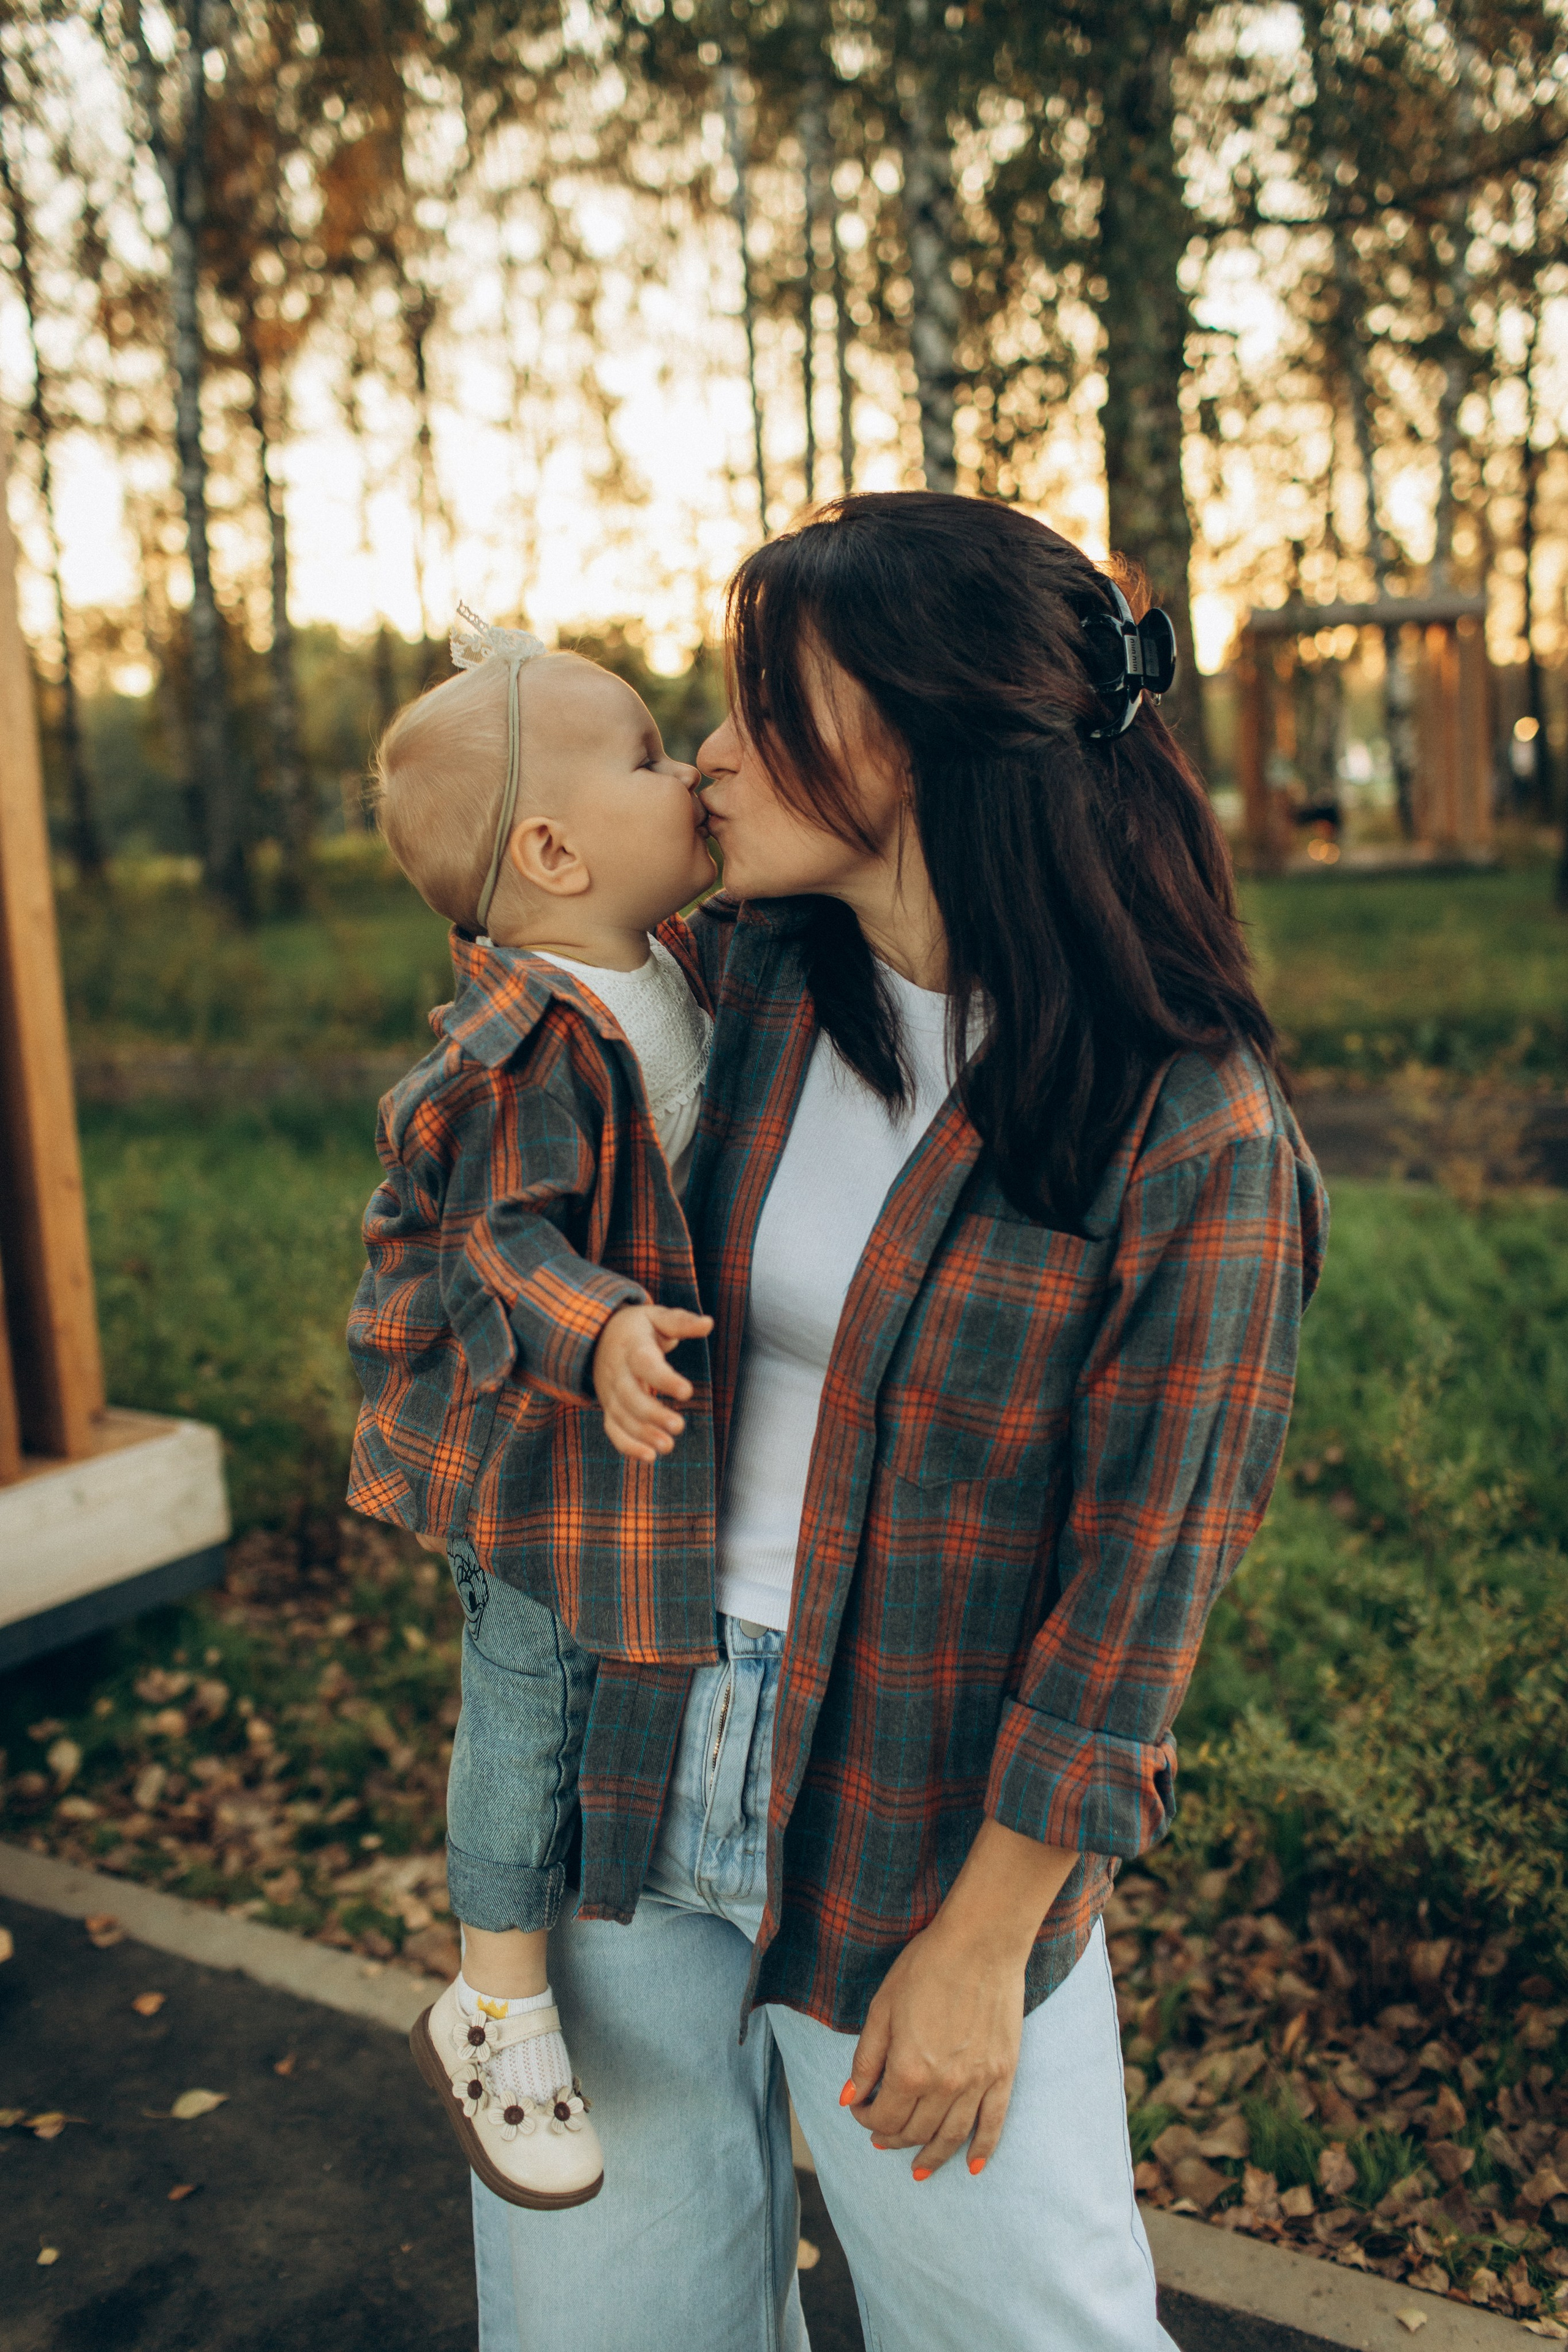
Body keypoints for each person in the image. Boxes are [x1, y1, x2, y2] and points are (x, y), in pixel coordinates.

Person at [469, 493, 1329, 2351]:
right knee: (607, 2327)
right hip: (632, 1756)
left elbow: (1137, 1608)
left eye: (763, 700)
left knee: (1027, 2332)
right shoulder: (743, 992)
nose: (711, 753)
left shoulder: (1192, 1130)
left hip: (917, 1816)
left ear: (920, 739)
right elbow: (485, 1158)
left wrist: (985, 1942)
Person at [346, 613, 721, 2211]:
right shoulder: (527, 1040)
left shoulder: (656, 953)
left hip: (598, 1430)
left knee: (580, 1688)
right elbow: (496, 1238)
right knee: (527, 1703)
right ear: (558, 854)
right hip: (525, 1436)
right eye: (652, 756)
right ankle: (495, 2007)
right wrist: (607, 1321)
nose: (692, 769)